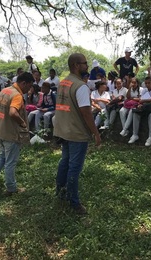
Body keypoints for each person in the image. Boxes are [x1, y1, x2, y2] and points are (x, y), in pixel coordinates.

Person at [54, 53, 101, 215]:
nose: (87, 66)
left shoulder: (63, 82)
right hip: (76, 132)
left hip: (63, 129)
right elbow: (86, 113)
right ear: (75, 65)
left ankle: (60, 193)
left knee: (64, 162)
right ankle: (74, 203)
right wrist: (96, 133)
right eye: (84, 63)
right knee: (74, 167)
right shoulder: (81, 86)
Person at [0, 72, 34, 196]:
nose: (29, 89)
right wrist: (23, 124)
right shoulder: (17, 96)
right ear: (23, 83)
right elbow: (13, 113)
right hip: (11, 134)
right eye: (29, 86)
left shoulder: (5, 91)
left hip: (0, 130)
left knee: (2, 157)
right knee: (10, 162)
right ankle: (11, 189)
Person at [128, 76, 151, 146]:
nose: (147, 85)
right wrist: (140, 104)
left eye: (149, 83)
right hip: (146, 107)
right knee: (136, 113)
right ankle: (135, 135)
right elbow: (141, 100)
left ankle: (150, 137)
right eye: (146, 83)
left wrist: (144, 101)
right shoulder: (144, 90)